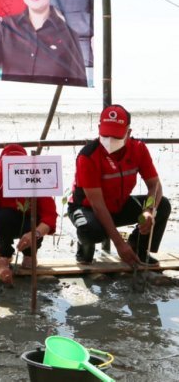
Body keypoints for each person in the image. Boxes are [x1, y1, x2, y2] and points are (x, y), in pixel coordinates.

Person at [68, 105, 170, 266]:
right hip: (87, 208)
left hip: (118, 205)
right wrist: (119, 244)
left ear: (128, 132)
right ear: (99, 128)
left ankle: (137, 247)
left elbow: (154, 185)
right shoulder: (87, 156)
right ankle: (84, 247)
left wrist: (149, 210)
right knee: (91, 231)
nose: (109, 140)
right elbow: (97, 204)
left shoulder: (139, 149)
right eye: (105, 134)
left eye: (115, 136)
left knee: (162, 205)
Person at [0, 144, 57, 284]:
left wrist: (36, 233)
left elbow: (50, 216)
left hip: (29, 225)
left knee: (36, 219)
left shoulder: (37, 182)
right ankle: (5, 253)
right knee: (3, 217)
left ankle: (30, 254)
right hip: (6, 224)